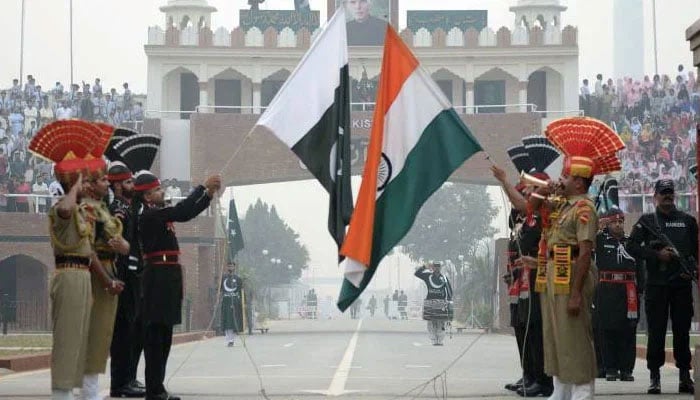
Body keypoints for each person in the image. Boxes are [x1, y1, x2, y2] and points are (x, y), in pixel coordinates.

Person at [519, 117, 625, 400]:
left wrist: (577, 292)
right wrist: (544, 189)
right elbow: (530, 207)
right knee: (555, 333)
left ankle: (582, 389)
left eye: (565, 177)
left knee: (574, 336)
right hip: (555, 273)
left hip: (573, 275)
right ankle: (561, 387)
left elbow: (586, 250)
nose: (560, 180)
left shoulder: (584, 208)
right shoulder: (563, 205)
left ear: (579, 181)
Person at [28, 120, 124, 400]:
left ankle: (74, 390)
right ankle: (61, 392)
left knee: (82, 338)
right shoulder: (62, 207)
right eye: (83, 179)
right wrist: (75, 187)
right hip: (68, 274)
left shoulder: (86, 211)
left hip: (83, 276)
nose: (90, 183)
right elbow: (66, 210)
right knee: (68, 337)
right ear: (73, 182)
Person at [135, 170, 221, 400]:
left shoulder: (159, 213)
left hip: (168, 275)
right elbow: (183, 212)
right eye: (156, 190)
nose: (161, 192)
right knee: (155, 336)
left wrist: (207, 196)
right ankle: (154, 388)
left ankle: (158, 386)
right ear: (146, 197)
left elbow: (187, 212)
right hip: (157, 277)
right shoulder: (150, 215)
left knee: (165, 335)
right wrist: (202, 189)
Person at [491, 139, 558, 397]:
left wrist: (505, 181)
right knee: (524, 329)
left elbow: (521, 205)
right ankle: (529, 375)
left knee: (536, 330)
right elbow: (519, 208)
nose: (526, 193)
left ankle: (542, 379)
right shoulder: (528, 217)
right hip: (522, 279)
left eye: (530, 189)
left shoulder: (545, 216)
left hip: (539, 278)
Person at [628, 178, 698, 395]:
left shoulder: (688, 221)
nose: (667, 196)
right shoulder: (647, 221)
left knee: (682, 332)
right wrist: (656, 255)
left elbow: (696, 251)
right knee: (656, 332)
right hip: (657, 285)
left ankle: (685, 377)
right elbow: (631, 246)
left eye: (670, 192)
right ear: (655, 196)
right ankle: (654, 377)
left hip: (681, 284)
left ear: (674, 194)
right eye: (663, 192)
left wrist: (693, 269)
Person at [81, 153, 131, 400]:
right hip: (97, 274)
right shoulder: (89, 209)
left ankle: (88, 389)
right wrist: (106, 280)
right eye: (101, 179)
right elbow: (88, 249)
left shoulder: (102, 208)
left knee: (103, 335)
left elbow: (121, 242)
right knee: (95, 334)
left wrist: (125, 247)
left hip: (108, 268)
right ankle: (87, 391)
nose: (106, 183)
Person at [107, 161, 146, 398]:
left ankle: (128, 379)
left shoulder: (128, 205)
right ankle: (120, 383)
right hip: (122, 273)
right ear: (119, 185)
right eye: (129, 181)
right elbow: (115, 242)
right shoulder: (118, 209)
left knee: (132, 330)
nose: (134, 185)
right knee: (123, 331)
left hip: (131, 272)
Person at [593, 208, 642, 382]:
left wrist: (640, 289)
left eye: (621, 221)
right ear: (608, 223)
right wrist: (600, 226)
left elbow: (640, 267)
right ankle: (610, 367)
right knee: (608, 330)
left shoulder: (631, 242)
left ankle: (626, 369)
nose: (618, 224)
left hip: (628, 290)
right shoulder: (600, 240)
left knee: (628, 330)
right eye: (614, 221)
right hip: (607, 290)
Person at [415, 263, 452, 346]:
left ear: (440, 268)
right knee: (431, 323)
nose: (437, 268)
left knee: (441, 322)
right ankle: (434, 340)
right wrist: (424, 267)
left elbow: (449, 290)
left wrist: (449, 301)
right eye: (435, 266)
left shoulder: (444, 278)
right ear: (433, 267)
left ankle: (440, 340)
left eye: (438, 267)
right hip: (430, 302)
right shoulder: (428, 276)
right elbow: (417, 274)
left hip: (441, 302)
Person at [221, 263, 244, 347]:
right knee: (227, 321)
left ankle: (231, 339)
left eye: (232, 266)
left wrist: (241, 302)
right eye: (229, 266)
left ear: (234, 267)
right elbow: (220, 289)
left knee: (233, 321)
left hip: (235, 302)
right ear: (227, 267)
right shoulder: (223, 278)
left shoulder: (238, 278)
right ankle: (229, 339)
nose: (230, 267)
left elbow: (241, 291)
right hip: (226, 302)